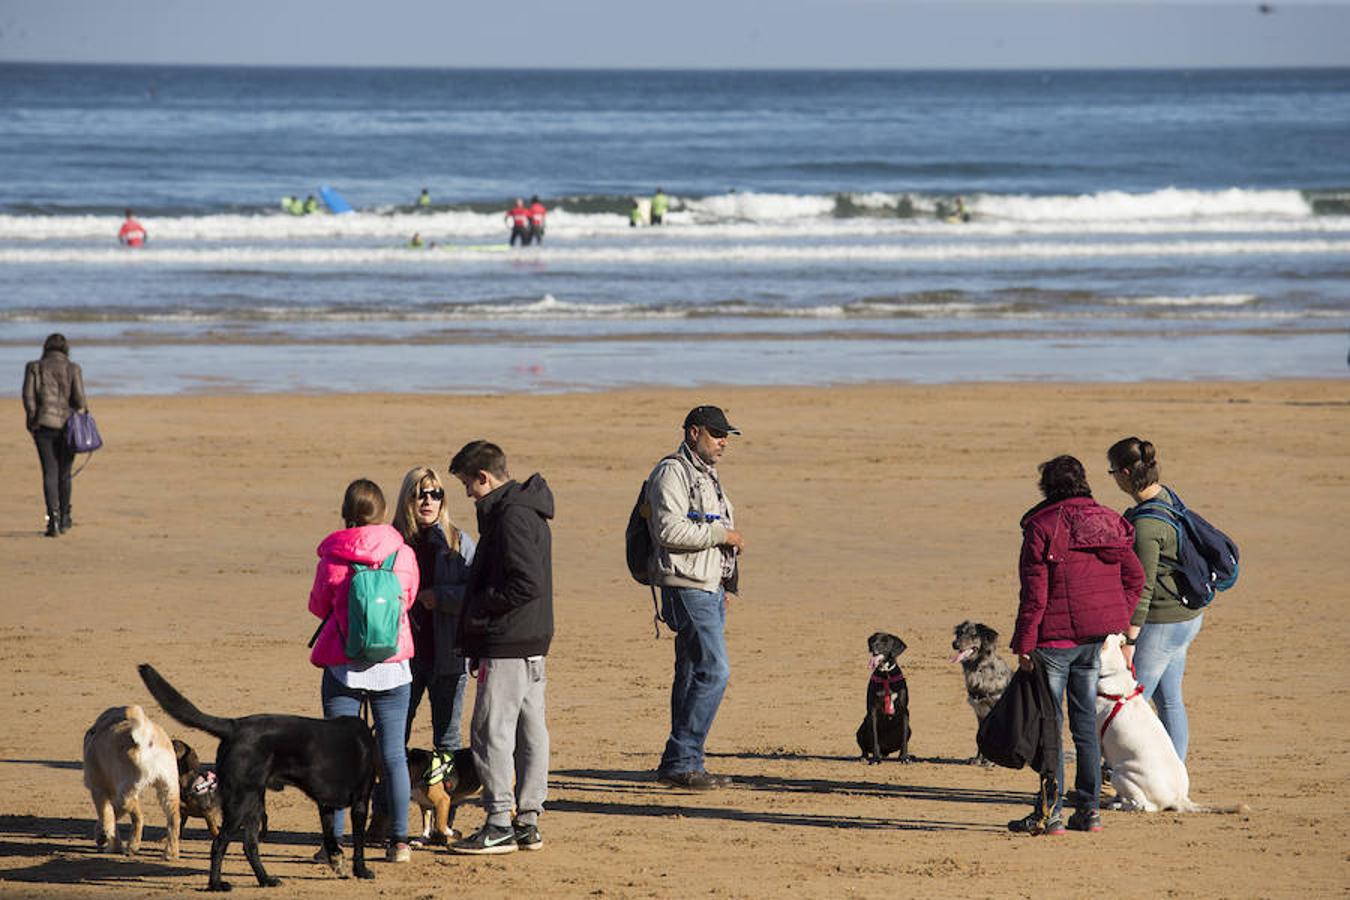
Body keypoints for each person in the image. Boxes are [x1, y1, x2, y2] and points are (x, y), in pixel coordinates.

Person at [1009, 455, 1143, 835]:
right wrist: (1116, 622)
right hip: (1092, 640)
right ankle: (1087, 812)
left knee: (1052, 726)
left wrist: (1024, 643)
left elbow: (1034, 595)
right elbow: (1135, 577)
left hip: (1053, 642)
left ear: (1046, 487)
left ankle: (1050, 813)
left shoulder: (1040, 526)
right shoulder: (1109, 520)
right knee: (1085, 725)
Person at [447, 441, 553, 855]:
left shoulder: (510, 516)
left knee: (490, 731)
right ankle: (526, 821)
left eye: (466, 485)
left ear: (483, 478)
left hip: (509, 640)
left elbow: (526, 583)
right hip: (530, 639)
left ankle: (499, 822)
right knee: (530, 731)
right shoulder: (524, 510)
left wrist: (480, 606)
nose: (468, 493)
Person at [308, 478, 420, 863]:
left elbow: (318, 606)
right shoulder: (402, 553)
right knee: (393, 756)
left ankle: (333, 845)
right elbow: (407, 599)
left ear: (346, 511)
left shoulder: (333, 556)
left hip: (344, 668)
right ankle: (400, 842)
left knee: (338, 756)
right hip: (393, 668)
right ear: (383, 512)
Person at [648, 405, 746, 790]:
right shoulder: (672, 472)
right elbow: (668, 530)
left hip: (707, 585)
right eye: (716, 434)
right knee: (715, 670)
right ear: (693, 433)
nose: (723, 442)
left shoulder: (707, 474)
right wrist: (722, 537)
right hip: (685, 584)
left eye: (725, 435)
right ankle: (683, 757)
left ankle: (681, 763)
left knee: (691, 671)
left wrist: (724, 584)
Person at [1107, 436, 1204, 761]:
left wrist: (1130, 640)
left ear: (1123, 473)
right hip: (1187, 616)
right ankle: (1176, 773)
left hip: (1163, 623)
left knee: (1127, 704)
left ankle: (1105, 777)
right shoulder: (1167, 496)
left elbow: (1142, 588)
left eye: (1111, 472)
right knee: (1170, 700)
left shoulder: (1146, 524)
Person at [392, 467, 476, 757]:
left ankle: (446, 803)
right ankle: (386, 802)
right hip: (400, 657)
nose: (428, 501)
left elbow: (477, 593)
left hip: (448, 656)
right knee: (393, 737)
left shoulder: (459, 542)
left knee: (447, 741)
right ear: (407, 500)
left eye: (435, 494)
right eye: (419, 494)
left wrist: (440, 597)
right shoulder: (391, 543)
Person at [22, 333, 87, 537]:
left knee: (50, 472)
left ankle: (53, 521)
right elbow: (80, 401)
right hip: (68, 426)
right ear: (65, 349)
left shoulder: (34, 367)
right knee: (64, 473)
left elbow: (28, 396)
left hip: (43, 425)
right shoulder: (73, 368)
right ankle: (66, 518)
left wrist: (33, 418)